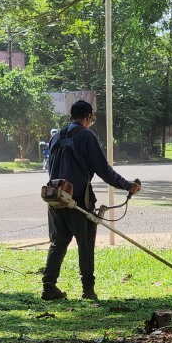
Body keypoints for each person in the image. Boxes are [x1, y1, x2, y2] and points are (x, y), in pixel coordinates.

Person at [41, 100, 141, 301]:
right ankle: (88, 290)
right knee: (85, 244)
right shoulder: (86, 135)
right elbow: (103, 170)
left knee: (58, 242)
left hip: (55, 197)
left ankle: (48, 287)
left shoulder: (56, 137)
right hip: (77, 200)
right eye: (91, 118)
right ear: (87, 117)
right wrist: (128, 186)